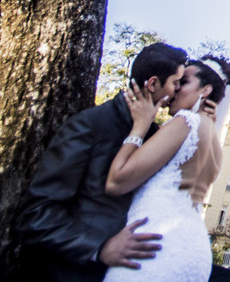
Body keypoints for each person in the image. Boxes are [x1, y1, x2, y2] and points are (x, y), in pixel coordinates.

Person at [18, 42, 188, 281]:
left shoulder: (156, 136)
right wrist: (100, 248)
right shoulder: (89, 125)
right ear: (153, 84)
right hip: (78, 273)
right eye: (176, 83)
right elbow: (36, 214)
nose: (178, 91)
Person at [103, 54, 230, 281]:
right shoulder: (212, 139)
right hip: (194, 253)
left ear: (205, 91)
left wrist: (140, 126)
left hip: (157, 247)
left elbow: (116, 182)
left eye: (183, 83)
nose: (174, 89)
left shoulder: (185, 122)